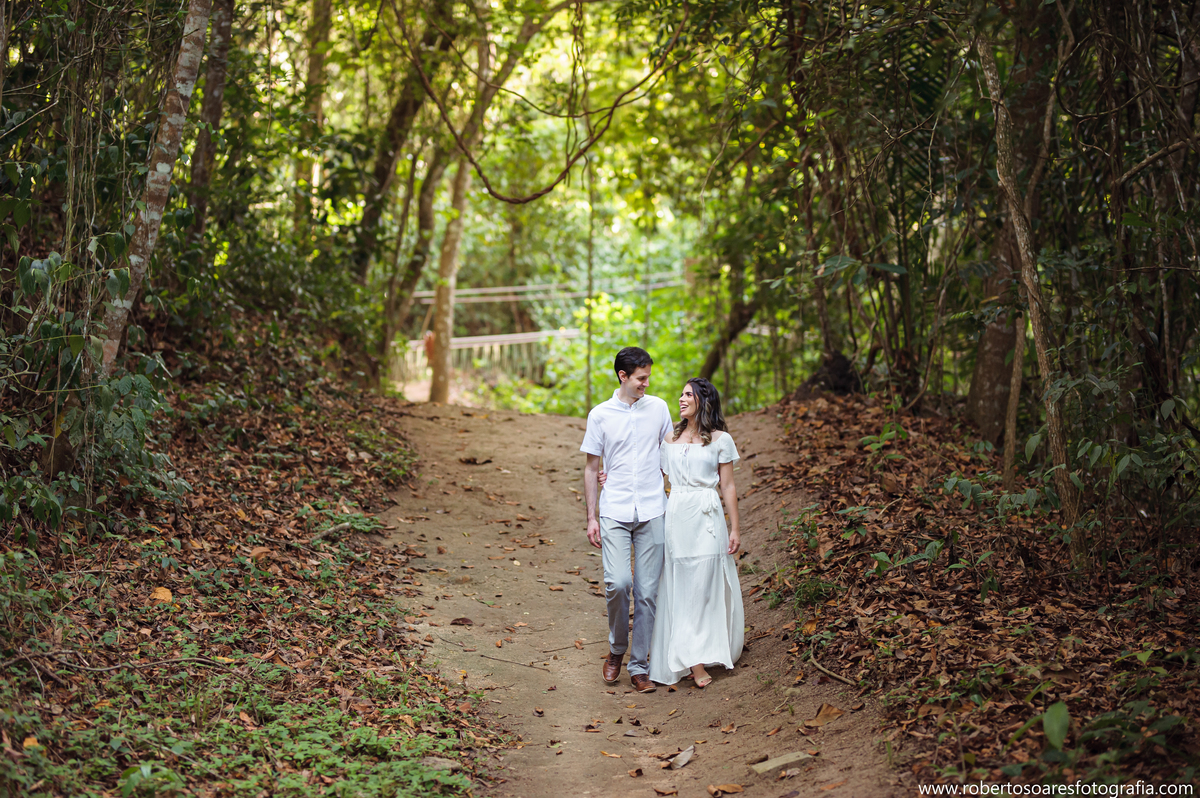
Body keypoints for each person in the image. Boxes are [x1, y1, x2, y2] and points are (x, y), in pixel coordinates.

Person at [580, 347, 674, 694]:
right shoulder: (600, 415)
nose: (646, 384)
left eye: (647, 377)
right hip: (615, 510)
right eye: (641, 378)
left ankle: (639, 666)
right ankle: (617, 649)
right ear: (623, 376)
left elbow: (671, 453)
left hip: (653, 509)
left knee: (648, 592)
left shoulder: (659, 408)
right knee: (618, 583)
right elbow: (591, 467)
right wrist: (591, 517)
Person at [648, 377, 744, 688]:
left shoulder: (720, 440)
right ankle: (694, 663)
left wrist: (735, 527)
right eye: (681, 393)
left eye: (688, 394)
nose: (681, 398)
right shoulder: (669, 441)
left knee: (705, 587)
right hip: (677, 514)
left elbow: (727, 486)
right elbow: (656, 481)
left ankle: (704, 649)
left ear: (704, 400)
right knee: (683, 585)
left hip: (707, 515)